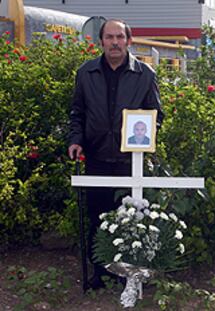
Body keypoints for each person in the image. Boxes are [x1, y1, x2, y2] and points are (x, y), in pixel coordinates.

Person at [68, 19, 164, 289]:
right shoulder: (85, 73)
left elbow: (156, 115)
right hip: (96, 156)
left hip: (129, 161)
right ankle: (99, 273)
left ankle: (127, 275)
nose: (114, 42)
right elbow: (77, 112)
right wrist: (76, 141)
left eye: (119, 37)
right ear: (101, 42)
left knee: (129, 219)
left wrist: (143, 138)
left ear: (128, 41)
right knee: (98, 218)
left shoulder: (145, 74)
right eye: (109, 37)